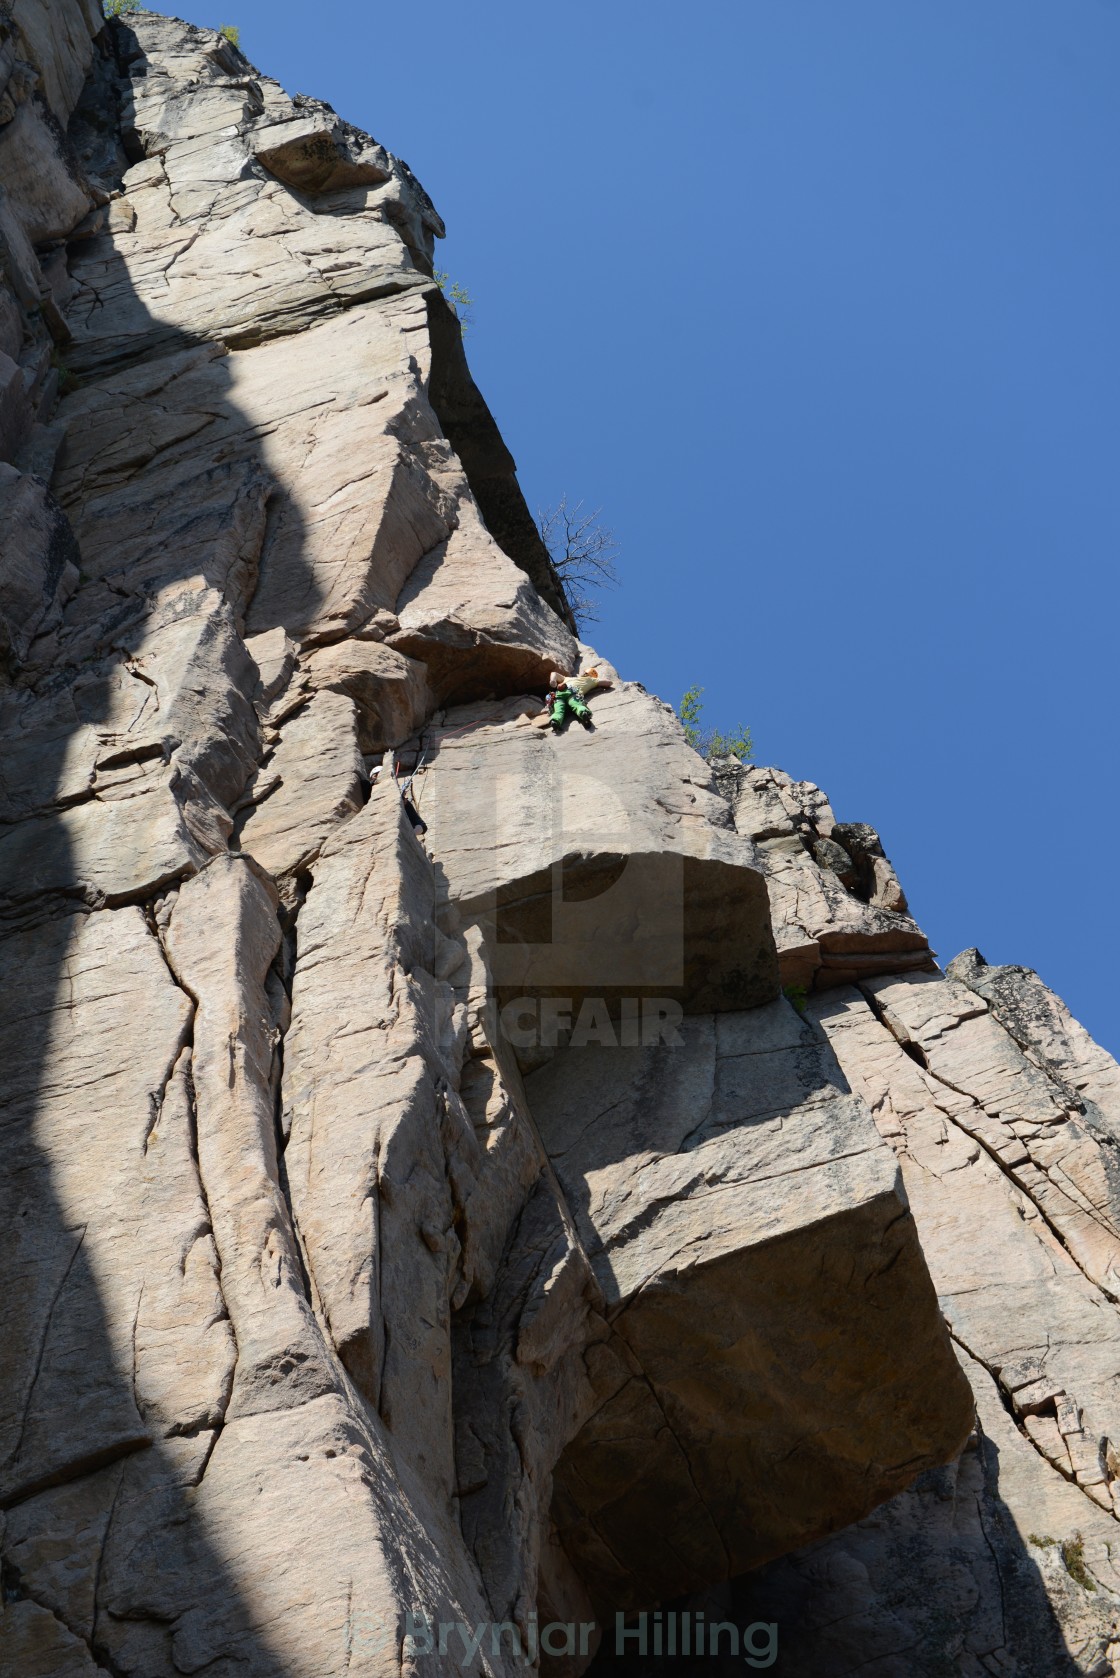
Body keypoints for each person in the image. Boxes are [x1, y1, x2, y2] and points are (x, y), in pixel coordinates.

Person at [544, 668, 612, 732]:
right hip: (572, 694)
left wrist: (552, 680)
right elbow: (609, 683)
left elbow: (554, 673)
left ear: (585, 673)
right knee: (577, 705)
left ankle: (555, 721)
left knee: (558, 710)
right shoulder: (591, 680)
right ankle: (583, 713)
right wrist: (598, 684)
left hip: (558, 695)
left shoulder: (568, 678)